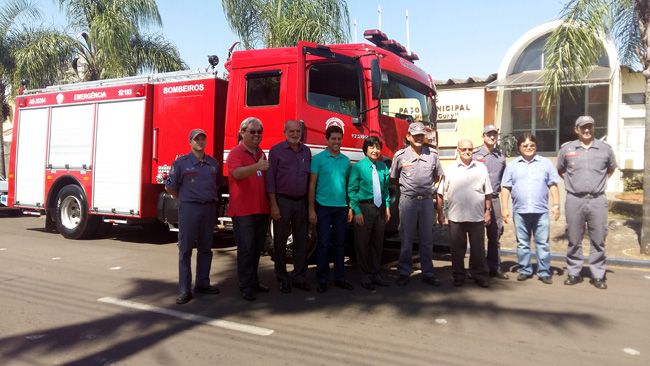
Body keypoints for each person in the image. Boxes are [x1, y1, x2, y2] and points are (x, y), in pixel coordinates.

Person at [557, 115, 617, 290]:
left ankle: (597, 275)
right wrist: (574, 183)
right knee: (574, 238)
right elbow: (561, 169)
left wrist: (598, 183)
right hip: (574, 199)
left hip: (598, 200)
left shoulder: (605, 149)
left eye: (589, 126)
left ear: (593, 128)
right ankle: (574, 273)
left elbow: (611, 169)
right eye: (583, 127)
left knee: (598, 239)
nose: (586, 130)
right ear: (576, 129)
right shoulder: (567, 149)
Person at [165, 128, 223, 305]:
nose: (200, 142)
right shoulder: (181, 163)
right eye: (196, 139)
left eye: (202, 139)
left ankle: (202, 284)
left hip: (208, 209)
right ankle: (184, 289)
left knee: (206, 248)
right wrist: (185, 198)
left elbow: (218, 184)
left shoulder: (213, 164)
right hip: (189, 209)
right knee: (185, 250)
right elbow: (170, 187)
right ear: (190, 142)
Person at [501, 133, 561, 284]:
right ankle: (525, 269)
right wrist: (504, 209)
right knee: (522, 243)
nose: (529, 148)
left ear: (536, 146)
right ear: (519, 148)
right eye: (525, 145)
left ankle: (544, 271)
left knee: (542, 243)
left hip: (541, 211)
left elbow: (553, 185)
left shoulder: (545, 163)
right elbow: (505, 188)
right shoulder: (512, 165)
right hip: (520, 211)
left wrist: (556, 205)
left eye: (532, 145)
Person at [390, 122, 444, 287]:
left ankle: (428, 273)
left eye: (422, 135)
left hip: (427, 201)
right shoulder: (400, 155)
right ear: (408, 137)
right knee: (406, 239)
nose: (419, 138)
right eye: (416, 135)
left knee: (427, 240)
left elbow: (437, 176)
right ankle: (404, 272)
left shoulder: (433, 155)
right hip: (408, 202)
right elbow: (394, 178)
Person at [227, 117, 271, 301]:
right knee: (245, 249)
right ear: (242, 132)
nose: (256, 135)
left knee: (256, 248)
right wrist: (257, 166)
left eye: (259, 132)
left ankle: (253, 281)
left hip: (261, 209)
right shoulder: (236, 153)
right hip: (243, 210)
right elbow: (236, 173)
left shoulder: (261, 153)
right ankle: (245, 286)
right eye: (252, 131)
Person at [438, 138, 492, 288]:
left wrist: (488, 211)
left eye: (470, 149)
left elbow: (487, 192)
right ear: (458, 150)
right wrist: (441, 213)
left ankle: (479, 275)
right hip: (456, 217)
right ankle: (459, 275)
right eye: (464, 149)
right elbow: (440, 193)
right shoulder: (449, 169)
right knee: (457, 250)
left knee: (478, 250)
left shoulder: (481, 168)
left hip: (477, 217)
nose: (467, 152)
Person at [267, 120, 312, 293]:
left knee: (302, 241)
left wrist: (309, 206)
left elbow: (309, 181)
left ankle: (300, 276)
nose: (295, 134)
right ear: (285, 132)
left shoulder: (306, 151)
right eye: (291, 131)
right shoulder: (276, 151)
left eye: (297, 131)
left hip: (301, 202)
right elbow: (270, 179)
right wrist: (274, 205)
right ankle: (282, 277)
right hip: (282, 201)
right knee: (280, 241)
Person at [308, 125, 354, 293]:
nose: (336, 142)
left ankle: (340, 278)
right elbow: (312, 185)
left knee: (340, 244)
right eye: (333, 139)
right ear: (327, 140)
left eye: (339, 139)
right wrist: (311, 209)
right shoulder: (318, 159)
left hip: (341, 208)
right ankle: (322, 279)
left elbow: (348, 185)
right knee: (323, 244)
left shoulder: (345, 161)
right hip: (323, 207)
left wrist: (350, 206)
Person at [348, 136, 391, 291]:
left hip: (379, 209)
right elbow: (352, 191)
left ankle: (376, 273)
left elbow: (385, 189)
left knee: (377, 243)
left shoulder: (383, 167)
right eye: (372, 147)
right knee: (362, 243)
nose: (375, 150)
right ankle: (364, 275)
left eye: (378, 147)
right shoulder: (358, 167)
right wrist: (356, 211)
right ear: (365, 150)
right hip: (364, 209)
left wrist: (386, 206)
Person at [472, 125, 508, 280]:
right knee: (476, 235)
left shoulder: (501, 156)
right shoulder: (475, 155)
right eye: (489, 134)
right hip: (477, 199)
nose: (492, 137)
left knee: (495, 234)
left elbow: (504, 179)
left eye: (494, 134)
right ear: (483, 136)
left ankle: (494, 267)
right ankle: (475, 268)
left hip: (494, 198)